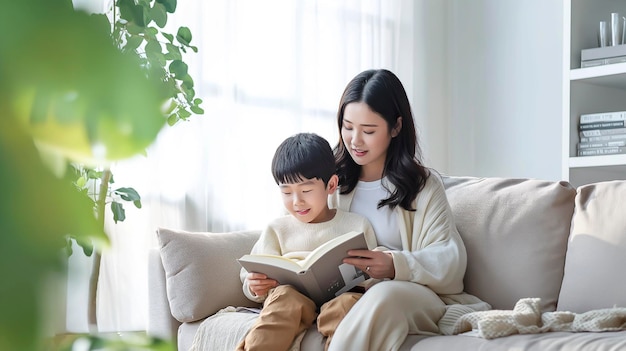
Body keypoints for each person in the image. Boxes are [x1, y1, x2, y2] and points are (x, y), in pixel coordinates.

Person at [325, 69, 490, 350]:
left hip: (412, 293)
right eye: (348, 126)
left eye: (368, 131)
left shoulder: (422, 185)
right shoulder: (330, 180)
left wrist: (394, 265)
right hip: (344, 292)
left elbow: (450, 260)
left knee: (383, 297)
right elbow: (290, 235)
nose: (355, 140)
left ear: (396, 127)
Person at [236, 132, 377, 351]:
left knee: (347, 308)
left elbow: (374, 271)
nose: (297, 201)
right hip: (291, 297)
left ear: (331, 185)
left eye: (306, 191)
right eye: (286, 192)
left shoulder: (356, 225)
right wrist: (254, 286)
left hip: (343, 296)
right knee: (283, 300)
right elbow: (251, 275)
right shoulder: (277, 229)